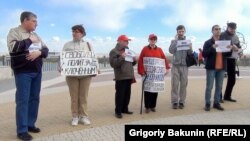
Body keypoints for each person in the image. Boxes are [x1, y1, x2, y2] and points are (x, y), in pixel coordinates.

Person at [7, 11, 49, 141]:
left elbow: (46, 50)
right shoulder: (14, 32)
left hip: (37, 71)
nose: (37, 24)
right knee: (23, 100)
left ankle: (31, 124)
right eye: (34, 21)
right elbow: (13, 48)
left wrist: (39, 53)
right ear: (25, 20)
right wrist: (29, 40)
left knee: (34, 99)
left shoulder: (36, 34)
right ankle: (22, 130)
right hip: (23, 72)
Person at [62, 25, 98, 126]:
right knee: (74, 97)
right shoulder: (67, 45)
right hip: (71, 75)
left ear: (82, 33)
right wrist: (60, 66)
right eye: (73, 31)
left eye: (77, 31)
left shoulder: (88, 45)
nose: (74, 33)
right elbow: (62, 58)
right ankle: (75, 116)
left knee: (83, 96)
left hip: (85, 75)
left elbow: (93, 57)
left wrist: (96, 68)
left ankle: (84, 116)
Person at [137, 34, 170, 113]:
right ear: (148, 40)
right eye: (151, 39)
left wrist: (167, 68)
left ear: (156, 40)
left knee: (155, 90)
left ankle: (153, 106)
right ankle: (147, 106)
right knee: (147, 90)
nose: (153, 41)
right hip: (147, 73)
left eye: (154, 39)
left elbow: (164, 59)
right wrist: (141, 71)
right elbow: (141, 60)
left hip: (156, 75)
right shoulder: (145, 49)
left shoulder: (159, 50)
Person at [202, 25, 232, 111]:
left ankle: (216, 103)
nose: (218, 31)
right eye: (216, 29)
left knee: (219, 87)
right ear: (212, 31)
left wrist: (229, 49)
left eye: (219, 29)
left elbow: (228, 55)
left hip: (221, 68)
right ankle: (207, 103)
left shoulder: (224, 42)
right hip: (211, 68)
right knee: (209, 87)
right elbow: (204, 54)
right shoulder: (208, 42)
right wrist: (212, 47)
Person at [109, 34, 137, 118]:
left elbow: (131, 63)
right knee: (120, 95)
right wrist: (122, 57)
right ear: (120, 41)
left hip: (129, 75)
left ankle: (125, 109)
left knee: (127, 94)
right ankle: (118, 111)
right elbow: (113, 64)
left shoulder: (128, 50)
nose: (127, 42)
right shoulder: (114, 51)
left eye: (127, 41)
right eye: (125, 41)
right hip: (120, 76)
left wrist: (135, 60)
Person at [169, 25, 193, 109]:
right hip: (175, 66)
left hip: (184, 66)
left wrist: (190, 47)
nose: (181, 33)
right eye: (179, 31)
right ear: (177, 32)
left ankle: (182, 101)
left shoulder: (188, 41)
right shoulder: (174, 41)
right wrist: (176, 42)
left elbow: (190, 53)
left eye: (182, 31)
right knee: (174, 84)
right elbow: (171, 51)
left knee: (183, 84)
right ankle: (174, 101)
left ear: (184, 31)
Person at [221, 22, 242, 102]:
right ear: (228, 27)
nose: (233, 30)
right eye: (231, 28)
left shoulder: (236, 37)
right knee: (220, 79)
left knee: (232, 79)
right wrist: (228, 47)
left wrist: (237, 48)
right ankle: (219, 97)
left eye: (234, 29)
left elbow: (239, 47)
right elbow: (218, 45)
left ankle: (227, 96)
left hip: (232, 59)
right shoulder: (222, 34)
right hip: (223, 58)